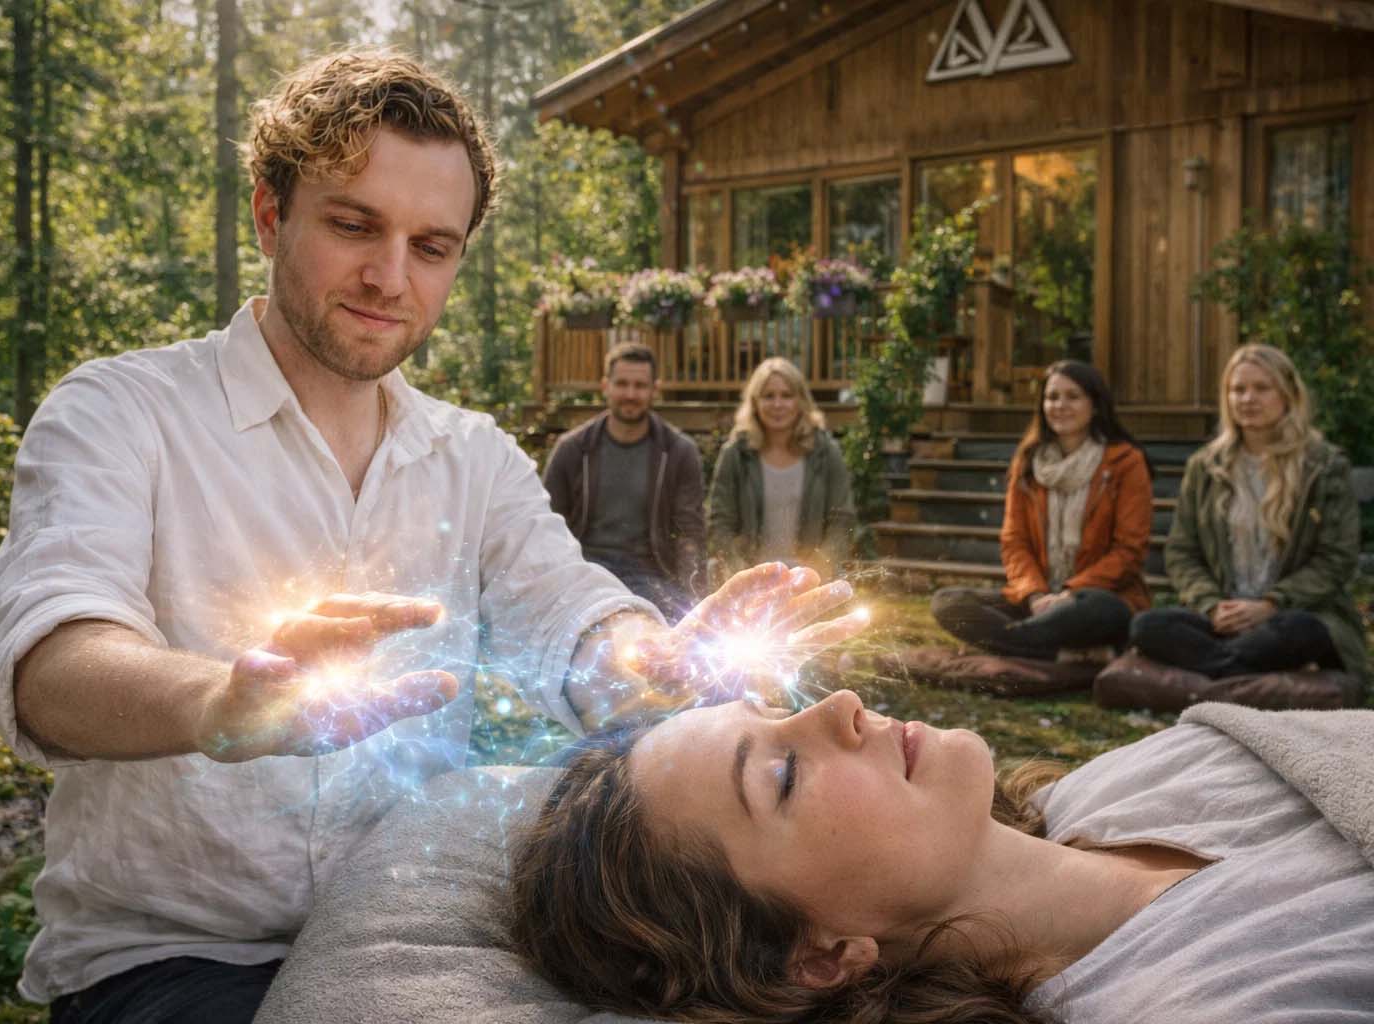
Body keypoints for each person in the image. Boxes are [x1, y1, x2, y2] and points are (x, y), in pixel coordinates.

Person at [0, 48, 863, 1023]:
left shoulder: (472, 457)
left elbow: (573, 621)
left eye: (431, 247)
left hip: (425, 929)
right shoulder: (121, 412)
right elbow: (50, 663)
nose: (390, 277)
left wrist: (664, 659)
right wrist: (218, 704)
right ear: (272, 213)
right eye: (354, 224)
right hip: (172, 959)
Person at [509, 688, 1374, 1023]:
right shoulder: (1228, 1007)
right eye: (782, 774)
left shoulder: (1143, 774)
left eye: (781, 705)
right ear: (817, 955)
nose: (841, 704)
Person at [1130, 344, 1368, 684]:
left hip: (1294, 615)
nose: (1247, 399)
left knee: (1303, 631)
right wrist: (1212, 606)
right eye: (1237, 389)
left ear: (1287, 395)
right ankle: (1243, 668)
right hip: (1224, 618)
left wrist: (1271, 604)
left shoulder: (1324, 465)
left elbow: (1336, 558)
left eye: (1261, 388)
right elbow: (1183, 552)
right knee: (1146, 626)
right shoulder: (1206, 467)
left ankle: (1218, 670)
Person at [931, 361, 1153, 662]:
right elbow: (1014, 541)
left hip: (1093, 599)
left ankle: (1016, 643)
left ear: (1095, 405)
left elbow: (1128, 551)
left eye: (1072, 396)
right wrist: (1035, 595)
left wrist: (1069, 594)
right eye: (1052, 397)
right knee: (948, 603)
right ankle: (1061, 652)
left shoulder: (1126, 462)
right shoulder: (1027, 462)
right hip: (1037, 599)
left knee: (1105, 610)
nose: (1060, 405)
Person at [542, 341, 706, 620]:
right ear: (606, 386)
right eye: (622, 384)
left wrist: (695, 597)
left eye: (640, 386)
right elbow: (546, 526)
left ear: (655, 389)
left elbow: (689, 534)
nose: (630, 394)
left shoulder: (678, 451)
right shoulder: (573, 449)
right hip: (586, 576)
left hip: (653, 579)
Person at [707, 357, 857, 584]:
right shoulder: (736, 455)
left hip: (809, 579)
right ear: (755, 402)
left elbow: (842, 521)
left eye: (786, 395)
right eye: (768, 396)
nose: (777, 404)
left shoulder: (826, 453)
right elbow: (720, 523)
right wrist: (740, 574)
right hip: (750, 578)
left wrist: (816, 572)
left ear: (800, 401)